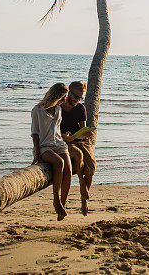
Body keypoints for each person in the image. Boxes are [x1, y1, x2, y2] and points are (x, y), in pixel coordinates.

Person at [31, 82, 73, 220]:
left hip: (59, 143)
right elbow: (35, 133)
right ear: (56, 96)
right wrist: (37, 154)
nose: (64, 100)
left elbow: (57, 130)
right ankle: (56, 200)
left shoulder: (59, 110)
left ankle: (63, 203)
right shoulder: (37, 110)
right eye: (63, 98)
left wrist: (65, 137)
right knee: (59, 162)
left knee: (68, 170)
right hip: (45, 146)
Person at [60, 80, 96, 216]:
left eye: (81, 98)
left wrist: (86, 133)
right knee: (76, 156)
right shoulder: (59, 107)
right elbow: (52, 129)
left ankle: (84, 199)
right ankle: (81, 185)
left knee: (91, 165)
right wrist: (65, 136)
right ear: (69, 92)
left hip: (77, 140)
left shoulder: (80, 108)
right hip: (63, 140)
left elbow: (82, 128)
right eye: (76, 96)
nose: (77, 100)